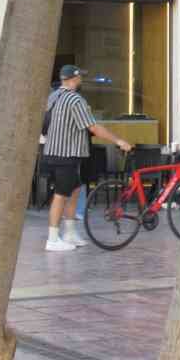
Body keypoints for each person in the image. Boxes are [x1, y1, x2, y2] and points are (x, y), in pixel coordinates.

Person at [42, 65, 132, 252]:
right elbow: (93, 127)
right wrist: (119, 140)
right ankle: (52, 238)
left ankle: (70, 232)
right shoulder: (75, 99)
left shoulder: (53, 96)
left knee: (74, 190)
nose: (82, 80)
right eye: (80, 77)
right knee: (61, 195)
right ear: (74, 78)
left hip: (54, 152)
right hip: (66, 154)